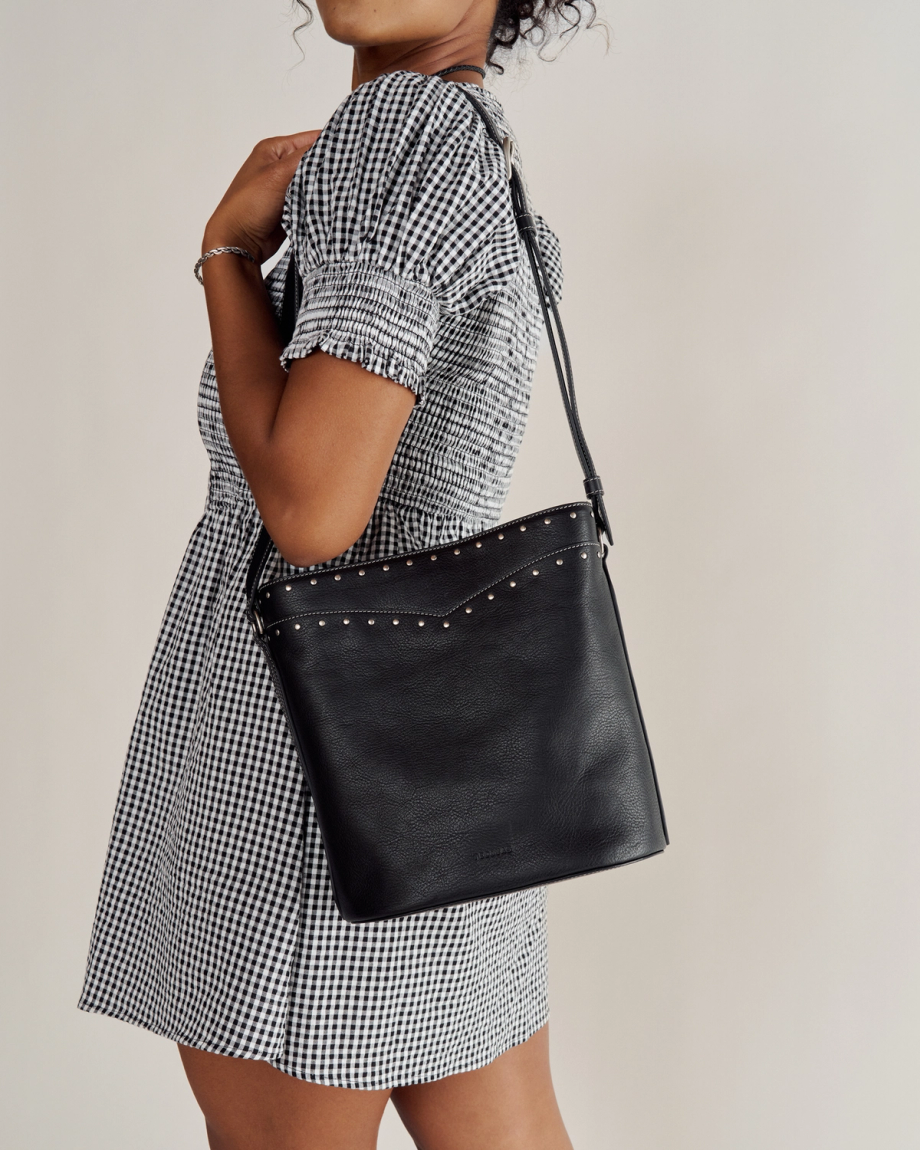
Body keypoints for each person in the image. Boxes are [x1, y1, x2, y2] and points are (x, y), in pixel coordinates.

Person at [79, 1, 597, 1146]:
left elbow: (310, 509)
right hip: (441, 756)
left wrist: (222, 256)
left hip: (310, 756)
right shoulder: (470, 137)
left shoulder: (400, 130)